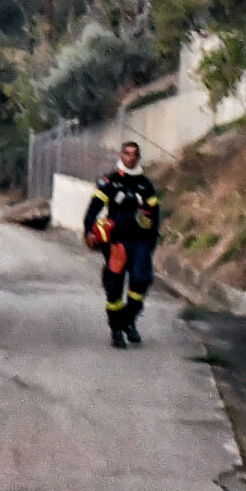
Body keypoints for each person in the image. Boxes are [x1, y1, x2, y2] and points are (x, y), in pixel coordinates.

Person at [81, 141, 161, 347]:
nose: (130, 158)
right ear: (121, 155)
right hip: (117, 243)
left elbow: (155, 216)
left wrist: (152, 242)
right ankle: (116, 329)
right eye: (127, 153)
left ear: (139, 158)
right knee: (114, 287)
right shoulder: (110, 181)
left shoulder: (146, 184)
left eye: (135, 154)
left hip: (141, 243)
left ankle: (128, 321)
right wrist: (89, 231)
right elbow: (93, 210)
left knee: (141, 281)